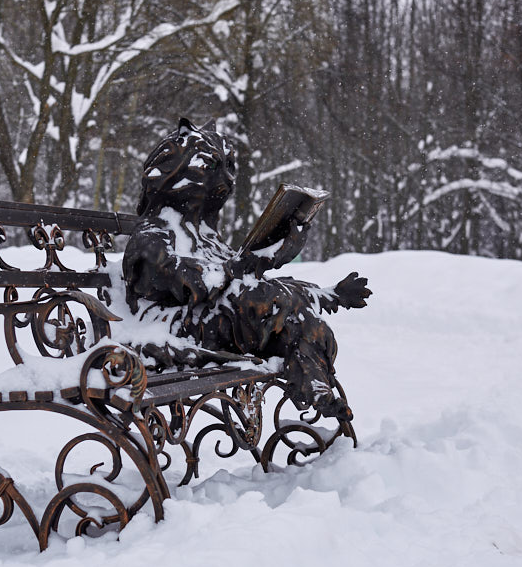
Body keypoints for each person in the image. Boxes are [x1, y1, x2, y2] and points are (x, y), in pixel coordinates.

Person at [122, 118, 371, 422]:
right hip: (173, 331)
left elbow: (236, 279)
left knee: (296, 319)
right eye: (213, 168)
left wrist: (300, 271)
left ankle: (314, 383)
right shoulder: (154, 234)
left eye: (229, 168)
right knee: (267, 299)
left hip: (214, 323)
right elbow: (197, 284)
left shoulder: (206, 235)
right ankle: (313, 378)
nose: (225, 180)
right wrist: (254, 262)